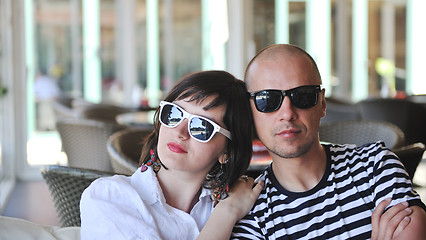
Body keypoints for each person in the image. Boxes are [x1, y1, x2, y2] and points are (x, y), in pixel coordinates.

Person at [231, 44, 426, 239]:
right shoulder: (252, 213)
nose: (287, 113)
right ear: (250, 112)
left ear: (322, 104)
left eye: (303, 96)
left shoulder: (376, 166)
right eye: (267, 100)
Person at [80, 70, 264, 240]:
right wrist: (226, 213)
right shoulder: (109, 197)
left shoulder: (243, 203)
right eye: (174, 113)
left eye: (201, 126)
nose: (180, 131)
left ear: (227, 151)